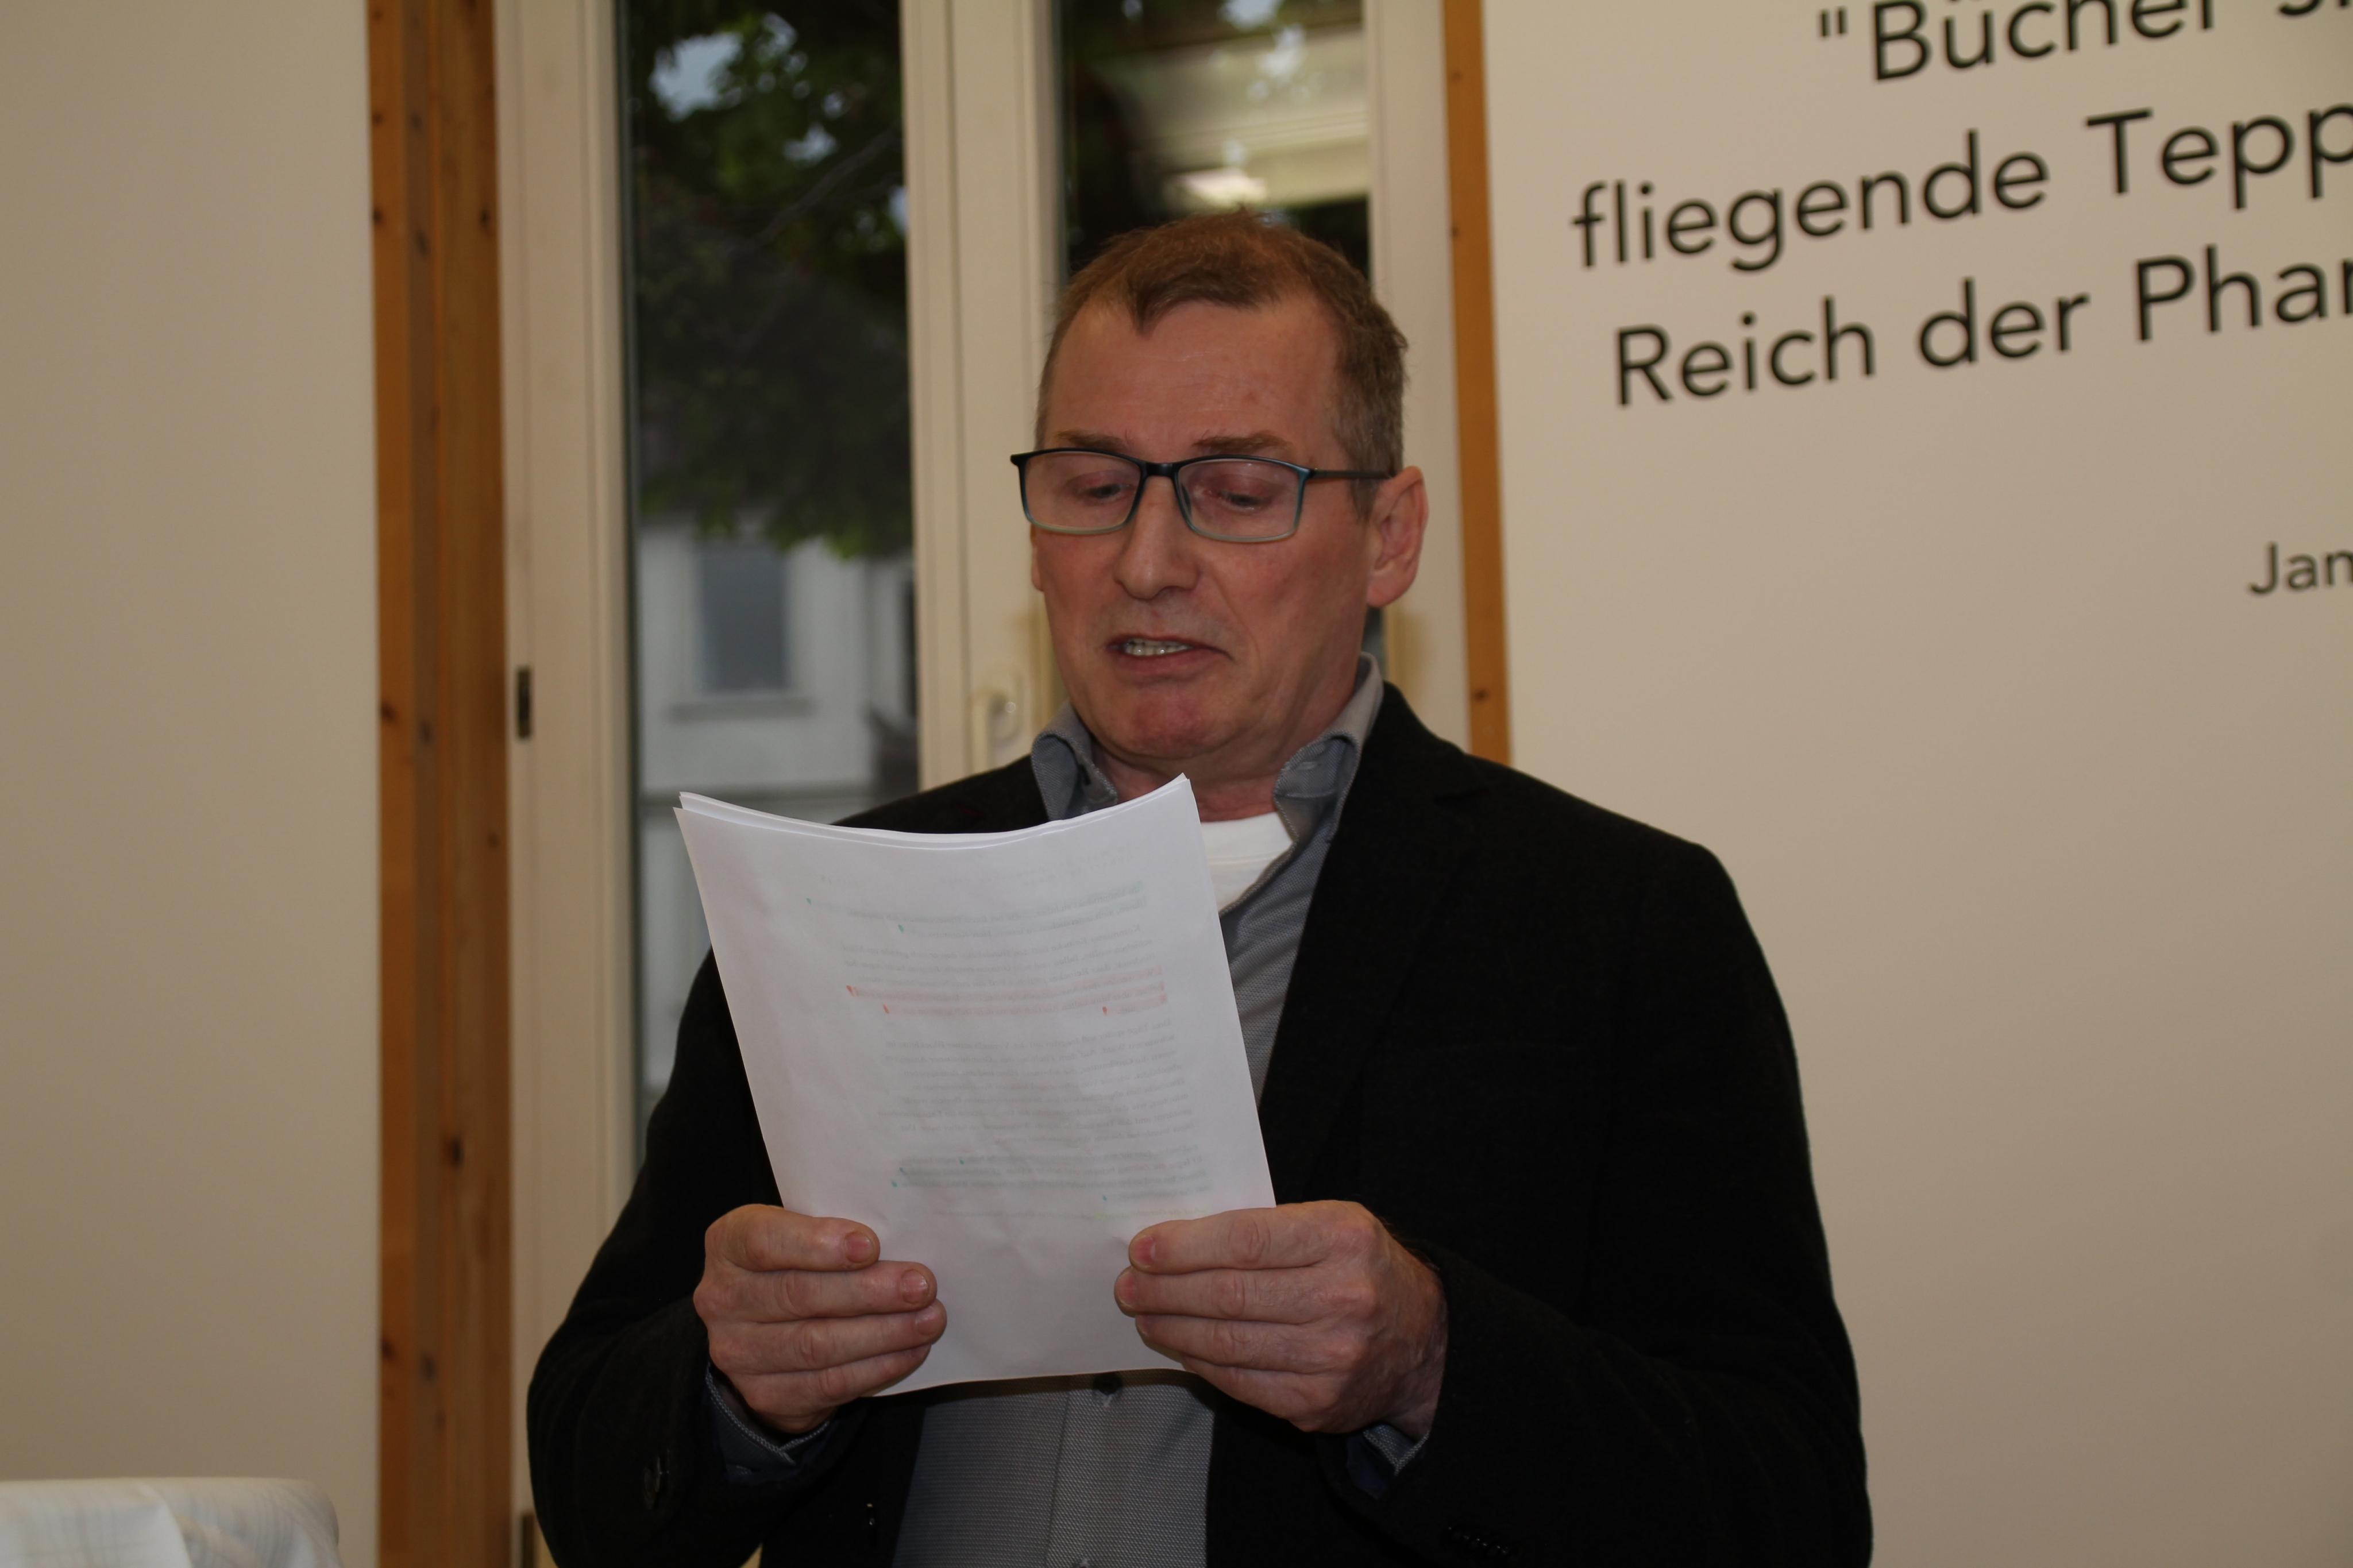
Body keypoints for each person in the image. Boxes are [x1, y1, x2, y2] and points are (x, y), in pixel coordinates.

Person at [529, 213, 1870, 1566]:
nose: (1147, 561)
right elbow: (590, 1476)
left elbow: (1788, 1505)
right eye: (1092, 485)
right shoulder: (838, 909)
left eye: (1234, 490)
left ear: (1389, 534)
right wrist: (733, 1385)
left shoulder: (1617, 922)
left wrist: (1429, 1363)